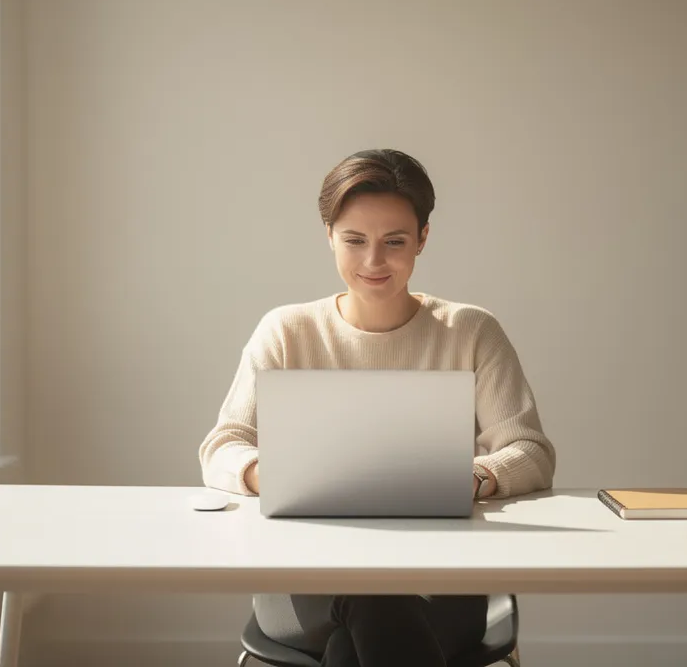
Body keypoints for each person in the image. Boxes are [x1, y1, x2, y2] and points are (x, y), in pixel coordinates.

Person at [198, 148, 556, 667]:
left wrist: (474, 477)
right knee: (370, 605)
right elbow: (222, 446)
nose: (373, 261)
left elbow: (531, 451)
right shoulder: (286, 331)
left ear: (423, 239)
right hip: (304, 586)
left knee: (357, 640)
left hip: (439, 584)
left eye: (394, 242)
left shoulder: (471, 332)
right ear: (328, 235)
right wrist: (266, 472)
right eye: (354, 240)